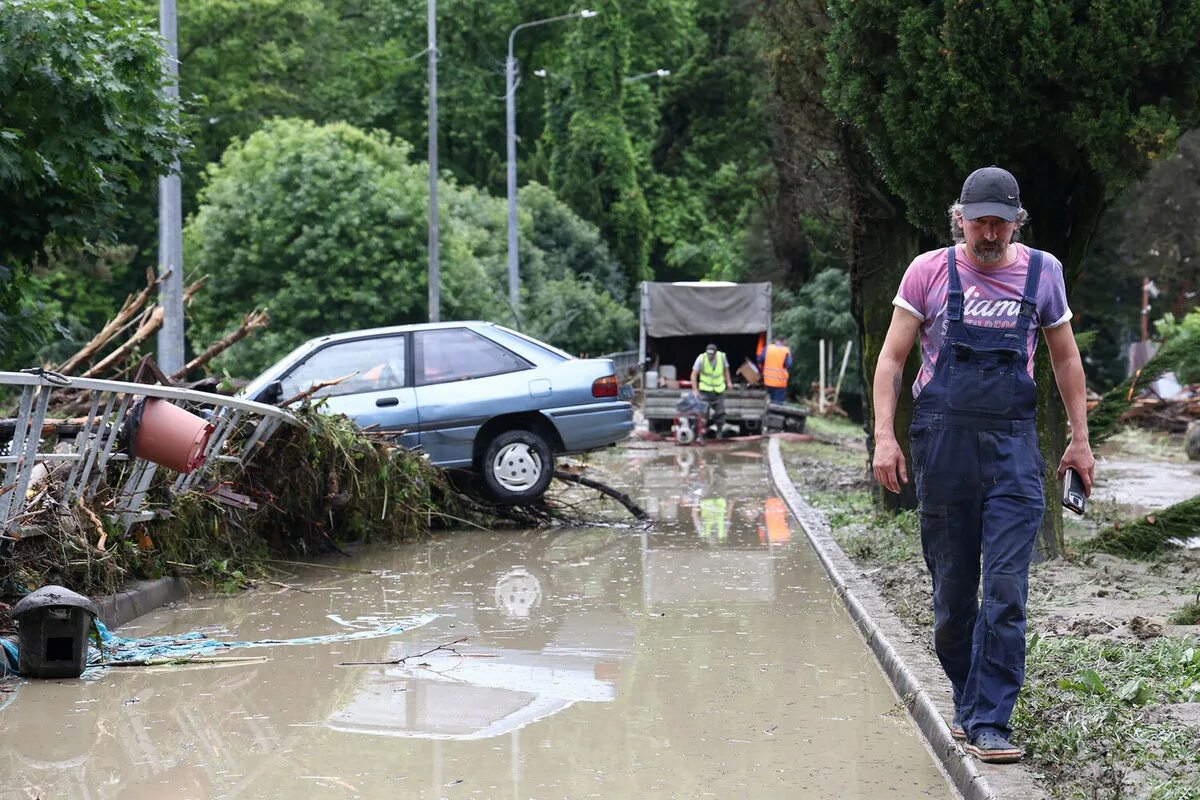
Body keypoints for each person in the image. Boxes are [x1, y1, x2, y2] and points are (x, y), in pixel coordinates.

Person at [871, 166, 1095, 764]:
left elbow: (1066, 359)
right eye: (978, 222)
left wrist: (1079, 439)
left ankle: (991, 720)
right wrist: (884, 437)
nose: (989, 233)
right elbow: (892, 360)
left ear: (1017, 221)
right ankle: (972, 701)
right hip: (943, 448)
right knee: (953, 597)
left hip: (1014, 448)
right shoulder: (928, 272)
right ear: (959, 219)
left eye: (1000, 222)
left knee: (1005, 589)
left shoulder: (1044, 273)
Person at [691, 343, 733, 437]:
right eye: (708, 354)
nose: (709, 357)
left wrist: (729, 382)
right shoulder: (701, 358)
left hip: (719, 390)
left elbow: (726, 370)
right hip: (705, 390)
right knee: (703, 413)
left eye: (711, 355)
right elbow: (693, 374)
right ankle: (701, 434)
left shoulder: (722, 357)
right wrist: (695, 390)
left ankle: (719, 433)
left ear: (715, 353)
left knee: (720, 413)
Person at [758, 335, 792, 403]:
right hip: (780, 383)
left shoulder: (768, 348)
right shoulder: (785, 350)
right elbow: (788, 364)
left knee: (769, 402)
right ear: (784, 341)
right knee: (778, 405)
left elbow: (760, 359)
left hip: (768, 381)